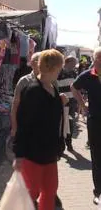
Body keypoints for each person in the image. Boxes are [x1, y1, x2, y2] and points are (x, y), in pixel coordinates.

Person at [13, 49, 65, 210]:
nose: (61, 70)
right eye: (60, 67)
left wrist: (60, 103)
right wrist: (19, 155)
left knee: (50, 191)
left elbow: (52, 117)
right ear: (53, 67)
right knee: (31, 193)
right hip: (32, 153)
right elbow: (24, 124)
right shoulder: (33, 91)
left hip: (49, 152)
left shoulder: (53, 88)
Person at [71, 47, 101, 205]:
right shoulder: (88, 75)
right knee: (97, 157)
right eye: (99, 59)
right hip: (95, 120)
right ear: (94, 60)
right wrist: (82, 105)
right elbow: (73, 88)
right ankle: (98, 191)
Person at [11, 52, 41, 137]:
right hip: (25, 124)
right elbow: (15, 105)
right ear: (32, 63)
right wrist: (14, 127)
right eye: (39, 61)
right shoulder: (24, 81)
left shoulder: (51, 81)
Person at [57, 56, 77, 151]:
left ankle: (69, 144)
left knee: (70, 123)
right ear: (68, 62)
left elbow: (76, 87)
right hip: (61, 102)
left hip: (72, 102)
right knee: (61, 123)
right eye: (74, 62)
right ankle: (60, 145)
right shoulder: (59, 72)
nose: (75, 65)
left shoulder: (74, 73)